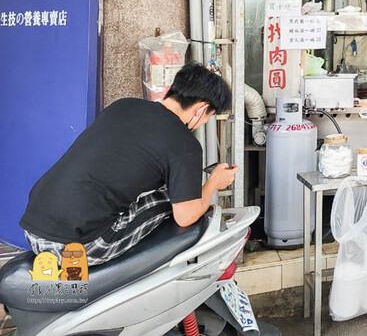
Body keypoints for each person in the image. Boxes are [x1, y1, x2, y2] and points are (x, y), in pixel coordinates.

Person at [20, 63, 236, 266]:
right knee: (170, 200)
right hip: (75, 247)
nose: (205, 121)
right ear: (201, 109)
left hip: (33, 229)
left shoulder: (123, 106)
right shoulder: (185, 143)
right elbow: (186, 216)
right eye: (210, 115)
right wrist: (213, 183)